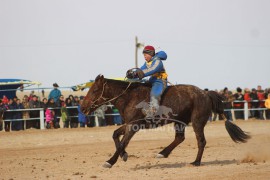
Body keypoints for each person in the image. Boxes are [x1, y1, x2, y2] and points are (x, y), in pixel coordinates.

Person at [126, 45, 168, 119]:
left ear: (151, 54)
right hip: (152, 80)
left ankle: (153, 111)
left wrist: (137, 73)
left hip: (160, 81)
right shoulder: (147, 62)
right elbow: (141, 69)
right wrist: (133, 74)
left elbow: (151, 70)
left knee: (155, 94)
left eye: (145, 55)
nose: (144, 57)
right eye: (144, 55)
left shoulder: (158, 61)